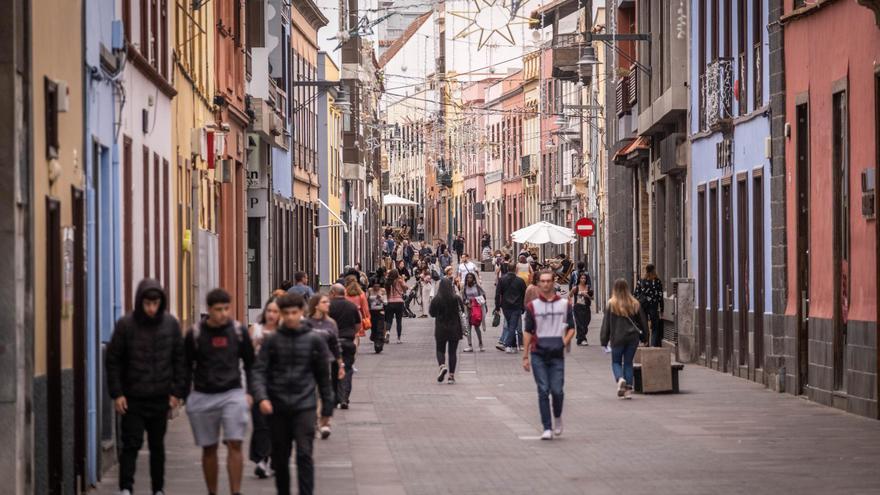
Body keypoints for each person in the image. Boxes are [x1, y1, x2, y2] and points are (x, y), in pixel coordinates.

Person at [106, 279, 186, 495]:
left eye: (155, 303)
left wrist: (177, 393)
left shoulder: (170, 325)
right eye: (147, 304)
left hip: (160, 398)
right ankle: (126, 488)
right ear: (140, 302)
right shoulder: (126, 325)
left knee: (157, 446)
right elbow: (113, 360)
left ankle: (158, 488)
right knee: (130, 444)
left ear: (161, 302)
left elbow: (180, 360)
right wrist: (118, 394)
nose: (151, 308)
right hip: (133, 398)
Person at [252, 293, 334, 495]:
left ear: (301, 313)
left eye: (294, 313)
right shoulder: (272, 341)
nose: (290, 317)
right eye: (286, 313)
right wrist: (261, 397)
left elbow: (323, 376)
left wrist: (327, 409)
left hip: (304, 406)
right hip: (277, 406)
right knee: (280, 458)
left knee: (305, 454)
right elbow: (259, 370)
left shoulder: (314, 341)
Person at [184, 288, 255, 495]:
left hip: (232, 393)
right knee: (209, 447)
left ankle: (236, 491)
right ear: (209, 310)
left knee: (235, 442)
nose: (223, 313)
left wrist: (250, 392)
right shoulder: (195, 334)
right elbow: (185, 366)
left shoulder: (238, 332)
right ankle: (212, 491)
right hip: (203, 393)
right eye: (218, 310)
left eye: (226, 309)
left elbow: (251, 364)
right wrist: (181, 395)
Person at [522, 271, 575, 440]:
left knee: (557, 390)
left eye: (548, 281)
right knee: (543, 390)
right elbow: (528, 331)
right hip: (538, 352)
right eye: (542, 281)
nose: (545, 284)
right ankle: (547, 427)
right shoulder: (533, 307)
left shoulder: (564, 305)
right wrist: (525, 356)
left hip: (556, 353)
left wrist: (564, 342)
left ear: (553, 283)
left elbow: (572, 327)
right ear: (538, 284)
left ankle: (557, 416)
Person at [248, 298, 280, 478]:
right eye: (269, 311)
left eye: (276, 312)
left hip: (279, 385)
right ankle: (261, 459)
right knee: (261, 424)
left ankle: (274, 460)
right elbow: (247, 358)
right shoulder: (255, 330)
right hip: (258, 383)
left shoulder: (285, 333)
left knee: (277, 425)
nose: (272, 315)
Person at [600, 279, 648, 399]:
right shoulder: (634, 303)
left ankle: (620, 379)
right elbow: (643, 322)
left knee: (616, 362)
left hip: (617, 338)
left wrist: (604, 340)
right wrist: (645, 337)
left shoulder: (611, 303)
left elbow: (606, 324)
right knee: (628, 363)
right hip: (632, 338)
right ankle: (627, 390)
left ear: (614, 289)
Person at [305, 294, 344, 438]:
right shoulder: (306, 323)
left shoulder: (331, 323)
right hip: (307, 362)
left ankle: (324, 422)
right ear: (316, 305)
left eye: (328, 302)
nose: (328, 304)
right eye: (324, 302)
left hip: (325, 362)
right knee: (310, 392)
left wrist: (340, 365)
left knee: (325, 393)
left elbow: (335, 344)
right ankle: (314, 420)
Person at [328, 284, 362, 409]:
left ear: (332, 293)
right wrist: (352, 333)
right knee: (347, 370)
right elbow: (358, 325)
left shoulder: (329, 306)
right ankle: (344, 398)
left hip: (333, 343)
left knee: (334, 370)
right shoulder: (351, 306)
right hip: (348, 342)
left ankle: (335, 397)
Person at [430, 278, 465, 384]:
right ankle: (451, 376)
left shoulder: (437, 299)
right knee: (452, 352)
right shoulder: (456, 298)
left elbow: (432, 313)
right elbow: (462, 310)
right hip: (454, 328)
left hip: (441, 328)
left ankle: (442, 366)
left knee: (440, 350)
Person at [495, 261, 527, 353]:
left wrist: (497, 307)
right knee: (512, 325)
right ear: (516, 269)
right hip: (516, 306)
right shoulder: (520, 281)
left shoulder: (502, 280)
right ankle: (508, 345)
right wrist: (523, 307)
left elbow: (498, 294)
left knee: (510, 324)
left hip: (505, 306)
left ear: (507, 269)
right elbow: (524, 294)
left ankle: (512, 345)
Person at [634, 264, 665, 347]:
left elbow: (636, 294)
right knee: (655, 326)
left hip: (642, 307)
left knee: (644, 326)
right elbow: (660, 296)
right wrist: (662, 309)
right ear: (654, 270)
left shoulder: (641, 281)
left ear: (646, 271)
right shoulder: (657, 281)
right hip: (653, 306)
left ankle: (646, 343)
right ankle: (653, 345)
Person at [461, 272, 487, 353]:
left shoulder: (477, 287)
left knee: (476, 327)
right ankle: (470, 345)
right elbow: (463, 298)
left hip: (476, 309)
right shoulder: (464, 288)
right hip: (468, 309)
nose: (469, 279)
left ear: (473, 279)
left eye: (471, 278)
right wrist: (467, 303)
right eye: (468, 278)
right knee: (468, 328)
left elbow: (484, 296)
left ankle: (481, 344)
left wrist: (477, 301)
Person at [569, 272, 593, 346]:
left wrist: (587, 295)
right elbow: (570, 295)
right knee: (580, 324)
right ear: (579, 279)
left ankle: (579, 338)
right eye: (582, 278)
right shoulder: (576, 287)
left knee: (586, 323)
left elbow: (592, 298)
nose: (583, 279)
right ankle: (583, 339)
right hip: (578, 307)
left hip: (586, 307)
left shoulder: (588, 287)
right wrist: (572, 293)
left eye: (584, 278)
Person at [344, 276, 371, 342]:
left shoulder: (345, 293)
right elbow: (365, 308)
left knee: (348, 331)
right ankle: (355, 348)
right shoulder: (361, 293)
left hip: (347, 314)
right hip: (358, 315)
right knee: (356, 334)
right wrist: (367, 317)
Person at [385, 270, 407, 343]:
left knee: (389, 320)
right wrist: (403, 280)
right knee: (399, 321)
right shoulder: (400, 281)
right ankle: (398, 338)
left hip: (390, 302)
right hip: (399, 302)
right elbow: (405, 288)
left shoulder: (388, 282)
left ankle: (387, 332)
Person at [367, 278, 387, 352]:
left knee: (380, 328)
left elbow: (385, 302)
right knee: (374, 328)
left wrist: (381, 298)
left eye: (378, 286)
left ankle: (378, 344)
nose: (376, 288)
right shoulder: (369, 290)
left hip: (380, 311)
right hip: (372, 311)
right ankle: (375, 339)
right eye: (375, 286)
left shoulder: (382, 290)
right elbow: (366, 300)